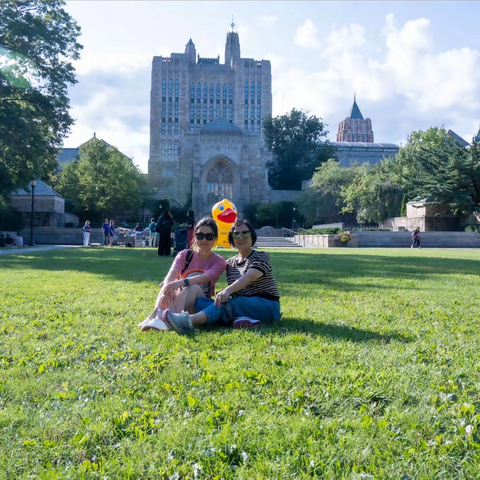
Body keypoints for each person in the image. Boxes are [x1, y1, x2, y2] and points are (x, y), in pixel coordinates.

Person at [164, 219, 282, 334]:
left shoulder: (261, 256)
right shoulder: (230, 263)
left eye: (245, 233)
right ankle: (242, 319)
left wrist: (226, 291)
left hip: (267, 305)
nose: (240, 237)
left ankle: (188, 321)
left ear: (252, 235)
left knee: (234, 302)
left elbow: (248, 278)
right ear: (232, 239)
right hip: (240, 305)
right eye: (236, 234)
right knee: (200, 303)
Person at [139, 217, 227, 332]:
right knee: (167, 285)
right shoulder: (185, 254)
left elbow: (204, 277)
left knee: (193, 287)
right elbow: (172, 274)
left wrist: (182, 281)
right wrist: (167, 288)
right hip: (179, 298)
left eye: (209, 237)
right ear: (195, 236)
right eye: (200, 236)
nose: (204, 240)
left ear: (215, 238)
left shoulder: (219, 261)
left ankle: (160, 318)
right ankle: (160, 318)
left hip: (198, 304)